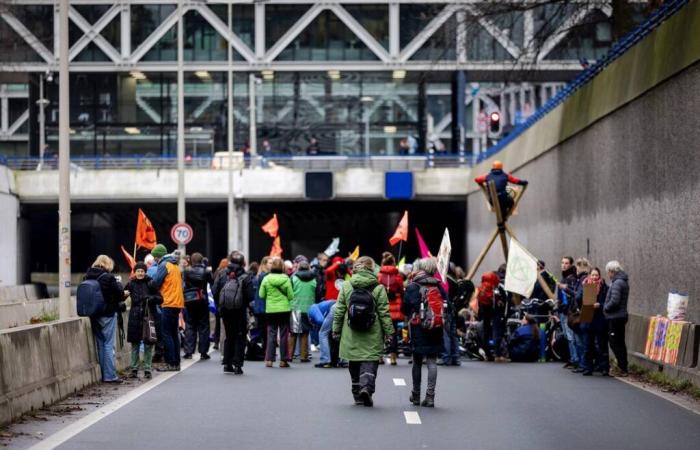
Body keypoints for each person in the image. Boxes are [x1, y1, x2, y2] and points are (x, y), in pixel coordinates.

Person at [333, 256, 394, 407]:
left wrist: (336, 330)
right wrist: (389, 332)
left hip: (351, 331)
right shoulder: (378, 288)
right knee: (370, 360)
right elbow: (384, 313)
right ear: (372, 269)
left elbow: (339, 311)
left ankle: (356, 393)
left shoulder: (346, 286)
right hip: (372, 332)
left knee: (354, 360)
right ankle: (366, 387)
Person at [402, 258, 446, 407]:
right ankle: (430, 396)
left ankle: (415, 394)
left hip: (418, 327)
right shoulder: (439, 286)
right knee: (432, 362)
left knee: (417, 361)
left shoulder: (413, 286)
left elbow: (405, 308)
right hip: (435, 328)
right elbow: (448, 308)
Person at [84, 255, 126, 383]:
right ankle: (110, 376)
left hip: (94, 314)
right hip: (107, 313)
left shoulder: (88, 276)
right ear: (108, 264)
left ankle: (103, 374)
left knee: (101, 344)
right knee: (108, 345)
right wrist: (119, 283)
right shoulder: (108, 277)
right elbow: (119, 293)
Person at [211, 251, 255, 374]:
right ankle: (237, 365)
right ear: (243, 263)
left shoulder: (222, 273)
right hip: (240, 311)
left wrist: (220, 305)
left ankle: (227, 364)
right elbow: (250, 296)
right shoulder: (246, 276)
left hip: (225, 311)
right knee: (240, 336)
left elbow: (214, 291)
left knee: (229, 336)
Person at [149, 244, 185, 372]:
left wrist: (148, 283)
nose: (154, 260)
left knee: (166, 334)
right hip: (177, 303)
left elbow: (156, 282)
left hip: (168, 302)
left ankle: (170, 363)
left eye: (154, 257)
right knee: (174, 333)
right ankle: (176, 363)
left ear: (158, 256)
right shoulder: (174, 265)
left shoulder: (164, 265)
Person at [125, 262, 163, 379]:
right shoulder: (130, 284)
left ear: (145, 272)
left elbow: (160, 299)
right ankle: (134, 369)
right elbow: (122, 296)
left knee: (148, 344)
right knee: (135, 344)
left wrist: (151, 298)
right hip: (134, 317)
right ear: (135, 272)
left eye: (142, 271)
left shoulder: (151, 283)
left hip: (148, 316)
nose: (140, 273)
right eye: (138, 271)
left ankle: (147, 369)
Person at [259, 257, 294, 368]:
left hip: (271, 310)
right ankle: (283, 360)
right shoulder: (286, 279)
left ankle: (269, 359)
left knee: (271, 334)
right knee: (284, 335)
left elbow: (261, 295)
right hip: (284, 310)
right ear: (283, 267)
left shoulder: (266, 279)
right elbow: (291, 296)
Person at [576, 267, 609, 376]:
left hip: (599, 318)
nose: (595, 277)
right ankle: (587, 367)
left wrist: (600, 305)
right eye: (593, 275)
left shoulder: (604, 287)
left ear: (599, 276)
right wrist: (583, 295)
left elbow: (607, 302)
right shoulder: (584, 285)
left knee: (602, 345)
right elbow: (578, 299)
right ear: (589, 275)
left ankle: (604, 368)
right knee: (587, 346)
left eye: (596, 275)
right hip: (587, 317)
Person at [182, 252, 213, 360]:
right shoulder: (206, 271)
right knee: (204, 327)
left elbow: (184, 284)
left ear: (192, 260)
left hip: (190, 301)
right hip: (202, 301)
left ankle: (189, 352)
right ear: (201, 260)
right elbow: (212, 283)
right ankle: (203, 352)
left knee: (190, 326)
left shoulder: (187, 271)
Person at [378, 252, 405, 365]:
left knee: (380, 331)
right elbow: (401, 290)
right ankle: (393, 357)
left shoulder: (379, 275)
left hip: (382, 306)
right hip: (394, 308)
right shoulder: (397, 275)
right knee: (393, 332)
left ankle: (379, 357)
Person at [604, 260, 629, 376]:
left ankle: (622, 367)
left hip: (615, 317)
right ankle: (623, 366)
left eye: (608, 272)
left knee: (615, 342)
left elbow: (615, 300)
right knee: (619, 342)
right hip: (620, 316)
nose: (608, 275)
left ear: (612, 271)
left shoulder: (617, 283)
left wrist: (606, 308)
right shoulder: (622, 281)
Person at [289, 261, 318, 362]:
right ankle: (303, 356)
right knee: (305, 333)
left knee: (293, 333)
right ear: (309, 268)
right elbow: (318, 293)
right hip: (309, 308)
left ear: (298, 268)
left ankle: (289, 356)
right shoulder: (314, 278)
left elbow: (289, 292)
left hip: (296, 307)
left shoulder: (293, 277)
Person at [570, 258, 591, 374]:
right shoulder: (584, 279)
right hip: (584, 312)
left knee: (580, 340)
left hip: (581, 313)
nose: (576, 269)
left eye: (577, 267)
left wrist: (568, 290)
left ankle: (583, 364)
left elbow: (578, 296)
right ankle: (583, 363)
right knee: (581, 340)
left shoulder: (583, 280)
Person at [558, 256, 579, 369]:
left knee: (571, 336)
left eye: (566, 263)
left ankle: (575, 359)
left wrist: (565, 288)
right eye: (562, 263)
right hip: (562, 310)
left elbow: (574, 294)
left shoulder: (572, 278)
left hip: (568, 311)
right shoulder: (564, 277)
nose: (564, 265)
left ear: (571, 265)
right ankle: (572, 357)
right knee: (567, 335)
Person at [310, 299, 337, 368]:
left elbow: (320, 320)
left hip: (334, 308)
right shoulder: (320, 307)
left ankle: (325, 360)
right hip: (340, 306)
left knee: (322, 333)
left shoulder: (312, 308)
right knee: (337, 333)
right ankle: (342, 361)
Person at [211, 258, 229, 350]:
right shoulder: (229, 273)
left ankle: (216, 342)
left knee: (218, 323)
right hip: (228, 302)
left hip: (218, 302)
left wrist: (216, 300)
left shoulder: (217, 273)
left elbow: (214, 289)